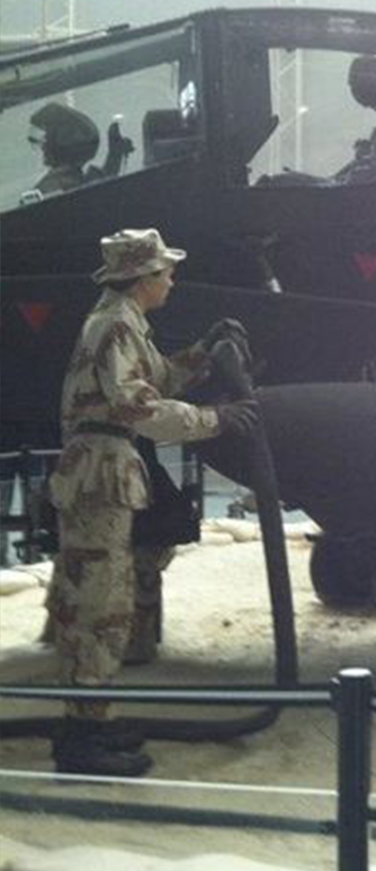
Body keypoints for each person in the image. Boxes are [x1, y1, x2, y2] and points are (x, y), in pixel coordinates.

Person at [45, 228, 258, 777]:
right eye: (164, 271)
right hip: (100, 474)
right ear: (141, 278)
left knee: (103, 599)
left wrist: (203, 352)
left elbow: (158, 376)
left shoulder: (123, 323)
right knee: (97, 606)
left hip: (104, 472)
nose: (171, 278)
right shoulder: (114, 325)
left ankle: (91, 721)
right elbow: (140, 404)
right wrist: (215, 421)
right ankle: (81, 741)